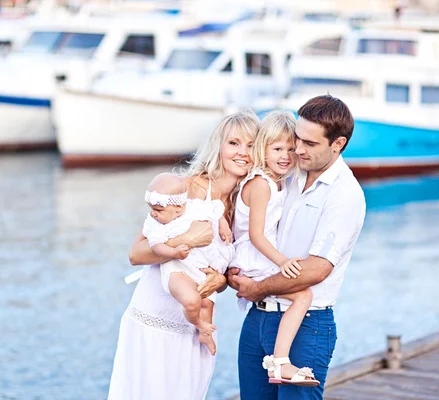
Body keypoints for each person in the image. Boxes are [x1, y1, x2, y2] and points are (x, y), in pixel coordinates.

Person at [108, 110, 260, 400]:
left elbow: (225, 267)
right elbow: (136, 254)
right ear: (219, 147)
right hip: (155, 322)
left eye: (252, 145)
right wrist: (187, 238)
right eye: (234, 143)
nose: (243, 153)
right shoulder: (186, 189)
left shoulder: (246, 203)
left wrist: (223, 280)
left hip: (197, 331)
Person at [229, 95, 366, 400]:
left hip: (306, 325)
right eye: (296, 140)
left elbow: (317, 268)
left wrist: (256, 287)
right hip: (258, 318)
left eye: (310, 144)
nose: (298, 150)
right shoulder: (286, 174)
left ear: (338, 143)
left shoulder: (345, 195)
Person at [231, 110, 318, 386]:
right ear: (262, 149)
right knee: (303, 296)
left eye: (291, 149)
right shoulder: (261, 184)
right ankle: (281, 362)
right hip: (254, 257)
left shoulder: (277, 182)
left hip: (260, 255)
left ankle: (279, 361)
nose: (286, 156)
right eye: (278, 148)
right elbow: (256, 234)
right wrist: (282, 261)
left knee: (301, 296)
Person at [140, 172, 235, 355]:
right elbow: (157, 247)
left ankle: (205, 332)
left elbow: (217, 210)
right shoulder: (155, 223)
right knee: (192, 301)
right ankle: (198, 323)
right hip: (177, 268)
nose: (153, 213)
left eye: (158, 210)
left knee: (207, 303)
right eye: (151, 208)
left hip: (200, 266)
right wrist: (174, 252)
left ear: (178, 207)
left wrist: (223, 226)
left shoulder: (195, 207)